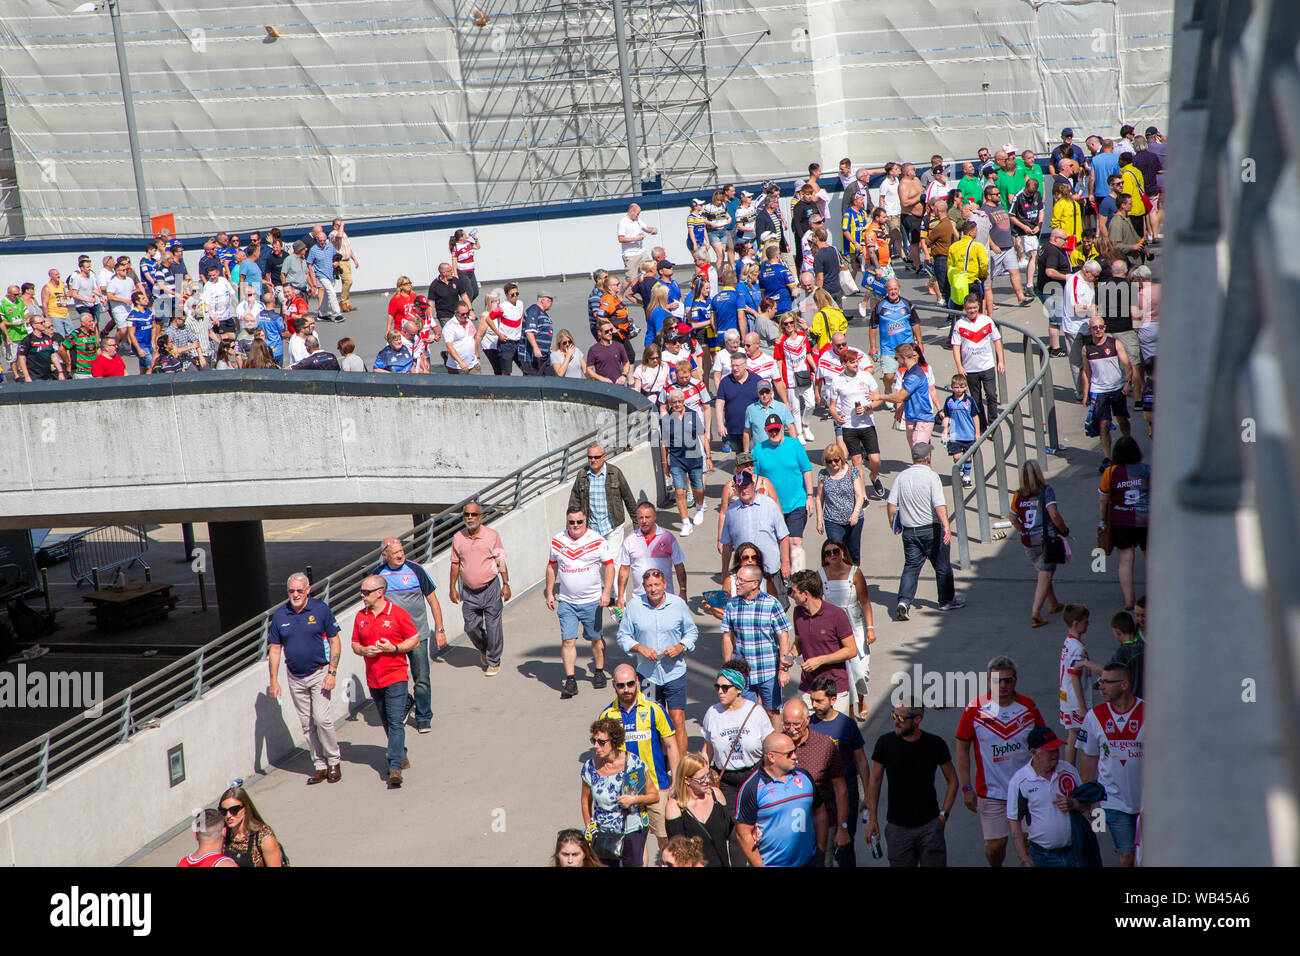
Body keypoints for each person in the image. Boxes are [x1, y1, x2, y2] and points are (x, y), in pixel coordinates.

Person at [955, 656, 1048, 866]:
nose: (1003, 685)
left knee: (1029, 842)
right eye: (998, 680)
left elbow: (1043, 741)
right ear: (988, 681)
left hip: (1026, 789)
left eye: (1008, 680)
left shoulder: (1028, 706)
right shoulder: (975, 709)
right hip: (991, 792)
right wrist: (966, 786)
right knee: (996, 846)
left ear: (1015, 681)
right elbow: (962, 746)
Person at [596, 660, 681, 863]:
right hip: (626, 791)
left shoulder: (654, 709)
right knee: (635, 845)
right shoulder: (607, 716)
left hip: (658, 786)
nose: (626, 689)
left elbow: (671, 745)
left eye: (630, 684)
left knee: (667, 842)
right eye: (621, 685)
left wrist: (676, 783)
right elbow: (601, 754)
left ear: (637, 682)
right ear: (614, 686)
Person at [268, 572, 343, 784]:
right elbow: (275, 649)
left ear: (308, 590)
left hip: (320, 673)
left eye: (300, 590)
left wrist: (332, 672)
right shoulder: (280, 616)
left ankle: (333, 761)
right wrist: (274, 680)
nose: (295, 594)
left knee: (322, 719)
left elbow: (335, 642)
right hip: (295, 677)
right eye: (291, 591)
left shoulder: (320, 610)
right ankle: (319, 765)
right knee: (306, 724)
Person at [866, 700, 958, 867]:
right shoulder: (885, 743)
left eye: (901, 718)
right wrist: (872, 819)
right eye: (894, 716)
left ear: (917, 720)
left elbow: (953, 780)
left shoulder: (935, 744)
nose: (895, 722)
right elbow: (875, 781)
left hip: (930, 827)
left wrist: (943, 816)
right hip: (897, 828)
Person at [352, 575, 419, 788]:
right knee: (387, 721)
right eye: (362, 592)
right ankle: (402, 754)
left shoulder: (397, 614)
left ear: (380, 592)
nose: (362, 596)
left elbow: (414, 639)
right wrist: (364, 650)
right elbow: (355, 644)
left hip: (396, 675)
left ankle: (395, 766)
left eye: (366, 592)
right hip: (374, 679)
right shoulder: (360, 617)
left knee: (395, 721)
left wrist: (395, 648)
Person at [374, 538, 445, 733]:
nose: (399, 554)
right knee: (395, 678)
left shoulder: (416, 570)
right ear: (385, 555)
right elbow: (372, 605)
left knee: (421, 677)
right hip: (392, 638)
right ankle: (407, 703)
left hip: (418, 635)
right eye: (394, 552)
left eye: (401, 551)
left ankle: (423, 716)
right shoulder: (378, 575)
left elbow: (433, 601)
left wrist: (439, 629)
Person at [886, 442, 963, 621]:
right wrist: (946, 526)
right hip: (931, 529)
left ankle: (904, 602)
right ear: (928, 457)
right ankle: (946, 601)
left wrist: (893, 523)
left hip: (909, 531)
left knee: (911, 567)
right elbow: (939, 504)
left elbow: (891, 504)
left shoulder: (901, 477)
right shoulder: (932, 477)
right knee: (942, 566)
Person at [1078, 662, 1144, 867]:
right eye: (1100, 682)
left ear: (1124, 685)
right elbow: (1089, 757)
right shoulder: (1094, 717)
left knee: (1144, 857)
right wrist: (1086, 796)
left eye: (1107, 682)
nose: (1101, 686)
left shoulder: (1150, 711)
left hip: (1148, 801)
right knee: (1126, 854)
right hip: (1113, 799)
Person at [547, 508, 614, 699]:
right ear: (567, 522)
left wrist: (607, 593)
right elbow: (552, 566)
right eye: (571, 522)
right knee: (568, 640)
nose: (575, 526)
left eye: (579, 522)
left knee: (595, 638)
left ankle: (599, 671)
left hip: (592, 600)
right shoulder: (557, 540)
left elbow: (609, 566)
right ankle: (570, 680)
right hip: (567, 601)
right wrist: (550, 592)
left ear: (586, 521)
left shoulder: (597, 540)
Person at [581, 717, 658, 867]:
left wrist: (634, 800)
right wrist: (589, 827)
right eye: (594, 740)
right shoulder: (590, 767)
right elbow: (585, 801)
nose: (596, 746)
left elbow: (654, 796)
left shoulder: (633, 764)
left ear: (614, 742)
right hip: (602, 834)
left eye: (602, 742)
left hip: (631, 831)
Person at [781, 698, 850, 864]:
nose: (791, 730)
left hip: (821, 825)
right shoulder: (777, 745)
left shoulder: (825, 746)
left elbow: (840, 789)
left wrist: (842, 828)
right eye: (787, 724)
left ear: (807, 721)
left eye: (796, 724)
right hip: (786, 826)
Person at [721, 564, 793, 724]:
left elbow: (784, 637)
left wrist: (784, 669)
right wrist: (727, 669)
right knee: (746, 714)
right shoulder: (731, 605)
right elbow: (727, 637)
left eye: (741, 580)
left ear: (755, 584)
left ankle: (775, 748)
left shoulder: (772, 604)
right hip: (743, 672)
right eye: (736, 579)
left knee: (773, 712)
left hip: (768, 671)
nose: (736, 583)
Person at [1006, 727, 1088, 868]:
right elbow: (1014, 821)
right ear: (1033, 753)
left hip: (1075, 851)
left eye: (1056, 748)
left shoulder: (1068, 771)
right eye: (1049, 750)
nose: (1055, 754)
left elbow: (1088, 807)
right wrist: (1024, 858)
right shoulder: (1020, 781)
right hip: (1043, 857)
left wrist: (1074, 804)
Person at [735, 731, 818, 867]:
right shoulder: (753, 787)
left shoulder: (804, 776)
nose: (795, 756)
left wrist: (820, 849)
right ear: (771, 757)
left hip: (809, 862)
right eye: (789, 753)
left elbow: (820, 812)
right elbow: (743, 833)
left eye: (795, 750)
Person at [449, 499, 510, 676]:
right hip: (468, 591)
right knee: (470, 627)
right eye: (466, 514)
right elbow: (455, 563)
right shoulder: (458, 537)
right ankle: (484, 649)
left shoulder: (492, 535)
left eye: (474, 514)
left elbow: (500, 560)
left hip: (490, 588)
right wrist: (452, 587)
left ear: (481, 516)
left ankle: (493, 661)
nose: (470, 517)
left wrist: (506, 583)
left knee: (493, 627)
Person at [788, 570, 857, 722]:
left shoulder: (836, 615)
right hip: (807, 688)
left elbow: (851, 650)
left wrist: (821, 660)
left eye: (793, 592)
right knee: (807, 734)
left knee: (836, 738)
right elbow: (799, 642)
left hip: (834, 688)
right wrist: (791, 655)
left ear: (805, 593)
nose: (791, 595)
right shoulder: (798, 612)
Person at [1009, 461, 1070, 626]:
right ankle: (1036, 612)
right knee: (1046, 573)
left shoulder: (1018, 495)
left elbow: (1013, 518)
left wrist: (1023, 529)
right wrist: (1063, 530)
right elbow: (1054, 514)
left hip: (1028, 542)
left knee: (1045, 571)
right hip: (1046, 540)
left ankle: (1053, 604)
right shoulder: (1046, 491)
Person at [753, 412, 814, 571]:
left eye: (777, 429)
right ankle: (780, 575)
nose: (774, 433)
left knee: (795, 541)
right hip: (772, 506)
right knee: (776, 543)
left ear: (782, 428)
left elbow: (806, 470)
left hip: (796, 503)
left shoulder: (794, 445)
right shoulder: (758, 450)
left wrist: (809, 496)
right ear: (766, 431)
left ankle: (799, 577)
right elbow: (756, 478)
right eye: (770, 430)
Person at [718, 469, 792, 600]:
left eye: (746, 486)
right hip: (745, 573)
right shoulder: (731, 511)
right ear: (735, 489)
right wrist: (724, 573)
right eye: (740, 487)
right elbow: (727, 546)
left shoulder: (769, 505)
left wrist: (785, 562)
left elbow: (783, 536)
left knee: (778, 606)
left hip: (770, 570)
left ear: (753, 485)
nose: (744, 490)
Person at [825, 349, 887, 500]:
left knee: (875, 459)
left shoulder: (865, 376)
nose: (856, 364)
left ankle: (874, 476)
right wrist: (836, 416)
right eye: (852, 362)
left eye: (857, 361)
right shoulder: (838, 381)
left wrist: (867, 407)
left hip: (866, 423)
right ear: (844, 364)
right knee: (856, 461)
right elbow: (832, 406)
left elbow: (879, 398)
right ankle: (863, 496)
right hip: (849, 426)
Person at [1081, 313, 1133, 470]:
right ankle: (1107, 458)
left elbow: (1127, 365)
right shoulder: (1086, 349)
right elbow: (1086, 372)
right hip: (1099, 390)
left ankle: (1128, 444)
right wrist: (1086, 394)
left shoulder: (1114, 344)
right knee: (1103, 424)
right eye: (1095, 328)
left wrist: (1127, 382)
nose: (1098, 330)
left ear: (1105, 328)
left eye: (1101, 327)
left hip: (1117, 388)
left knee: (1122, 419)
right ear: (1090, 329)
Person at [568, 443, 640, 557]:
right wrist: (570, 529)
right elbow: (574, 501)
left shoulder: (615, 473)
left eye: (596, 457)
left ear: (604, 457)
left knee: (612, 560)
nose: (593, 460)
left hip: (613, 525)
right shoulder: (582, 475)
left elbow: (628, 499)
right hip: (592, 528)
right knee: (597, 561)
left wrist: (637, 525)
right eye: (590, 457)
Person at [665, 752, 732, 867]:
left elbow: (730, 832)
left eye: (708, 774)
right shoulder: (675, 807)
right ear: (687, 780)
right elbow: (678, 852)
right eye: (701, 778)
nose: (707, 780)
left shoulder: (716, 795)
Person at [659, 391, 712, 535]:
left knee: (698, 489)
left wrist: (708, 457)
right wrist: (665, 463)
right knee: (680, 491)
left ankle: (699, 507)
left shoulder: (693, 415)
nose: (677, 404)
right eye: (674, 402)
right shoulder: (665, 420)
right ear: (670, 403)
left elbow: (703, 437)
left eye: (679, 401)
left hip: (694, 458)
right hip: (676, 460)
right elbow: (664, 444)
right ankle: (685, 523)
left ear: (684, 402)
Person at [950, 294, 1006, 424]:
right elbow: (956, 347)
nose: (972, 310)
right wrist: (959, 366)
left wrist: (1001, 361)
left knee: (992, 395)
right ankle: (981, 425)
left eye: (974, 307)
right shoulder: (959, 324)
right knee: (976, 399)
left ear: (979, 306)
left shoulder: (987, 321)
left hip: (987, 366)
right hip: (970, 369)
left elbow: (997, 340)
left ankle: (993, 424)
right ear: (964, 308)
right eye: (969, 308)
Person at [814, 446, 866, 566]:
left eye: (836, 460)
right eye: (829, 461)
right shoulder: (823, 474)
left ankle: (853, 578)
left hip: (853, 519)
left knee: (853, 552)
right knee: (835, 550)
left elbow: (859, 496)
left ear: (841, 458)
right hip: (832, 520)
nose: (833, 464)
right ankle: (837, 578)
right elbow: (819, 498)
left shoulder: (851, 471)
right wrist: (819, 521)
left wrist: (855, 513)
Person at [218, 786, 285, 867]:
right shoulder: (223, 833)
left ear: (246, 808)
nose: (228, 815)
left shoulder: (263, 836)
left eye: (234, 810)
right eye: (223, 811)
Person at [714, 351, 764, 455]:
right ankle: (742, 471)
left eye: (737, 365)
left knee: (754, 455)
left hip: (753, 428)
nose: (735, 368)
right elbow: (719, 404)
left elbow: (766, 401)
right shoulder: (725, 382)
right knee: (740, 457)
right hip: (734, 428)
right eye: (732, 365)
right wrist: (720, 424)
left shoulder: (757, 380)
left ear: (745, 365)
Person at [618, 203, 659, 284]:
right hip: (630, 254)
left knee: (649, 270)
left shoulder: (638, 220)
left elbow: (645, 228)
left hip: (641, 252)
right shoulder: (623, 222)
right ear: (631, 211)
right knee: (631, 279)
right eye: (637, 213)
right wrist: (636, 239)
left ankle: (650, 291)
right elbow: (620, 239)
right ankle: (621, 293)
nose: (638, 215)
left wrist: (652, 230)